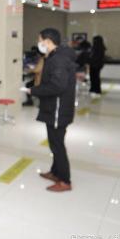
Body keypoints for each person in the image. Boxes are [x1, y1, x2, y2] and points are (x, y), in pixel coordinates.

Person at [27, 28, 76, 192]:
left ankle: (65, 181)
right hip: (54, 108)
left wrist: (33, 90)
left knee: (57, 145)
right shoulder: (54, 56)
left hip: (58, 110)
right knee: (54, 143)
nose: (38, 43)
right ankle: (56, 172)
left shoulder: (59, 60)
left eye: (40, 40)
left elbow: (57, 86)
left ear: (48, 41)